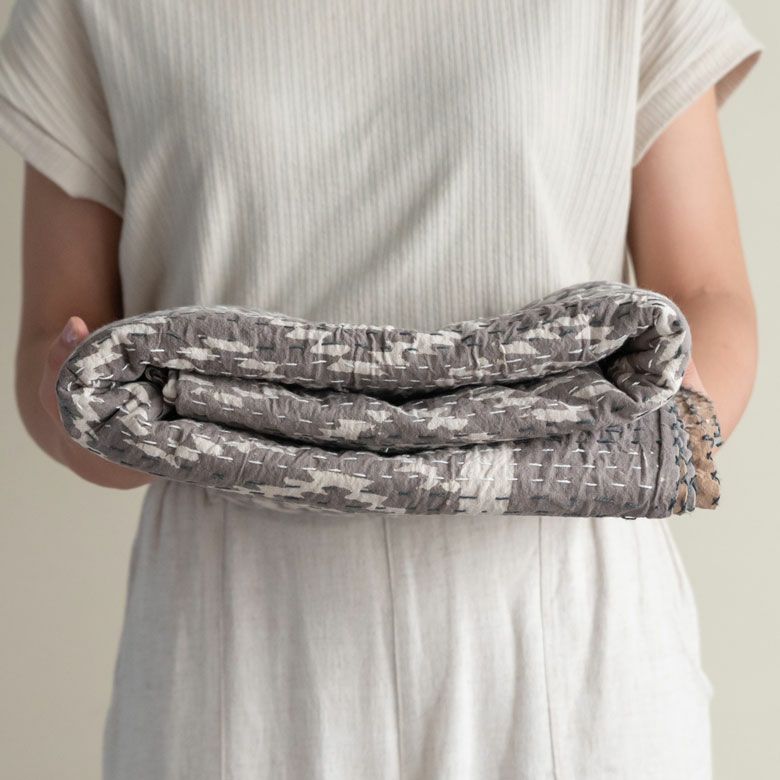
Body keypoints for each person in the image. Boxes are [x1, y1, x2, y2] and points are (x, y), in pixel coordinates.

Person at [0, 1, 763, 778]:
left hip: (565, 611)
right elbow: (57, 338)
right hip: (236, 623)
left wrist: (670, 425)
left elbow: (705, 291)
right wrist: (90, 409)